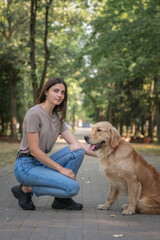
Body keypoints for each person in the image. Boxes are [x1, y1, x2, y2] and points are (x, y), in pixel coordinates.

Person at [11, 77, 96, 211]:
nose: (60, 95)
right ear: (46, 92)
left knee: (77, 151)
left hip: (40, 163)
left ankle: (61, 200)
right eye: (56, 91)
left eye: (63, 92)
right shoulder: (34, 113)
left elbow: (77, 145)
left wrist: (108, 155)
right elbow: (34, 150)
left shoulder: (57, 117)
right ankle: (25, 189)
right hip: (26, 166)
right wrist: (61, 170)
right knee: (73, 187)